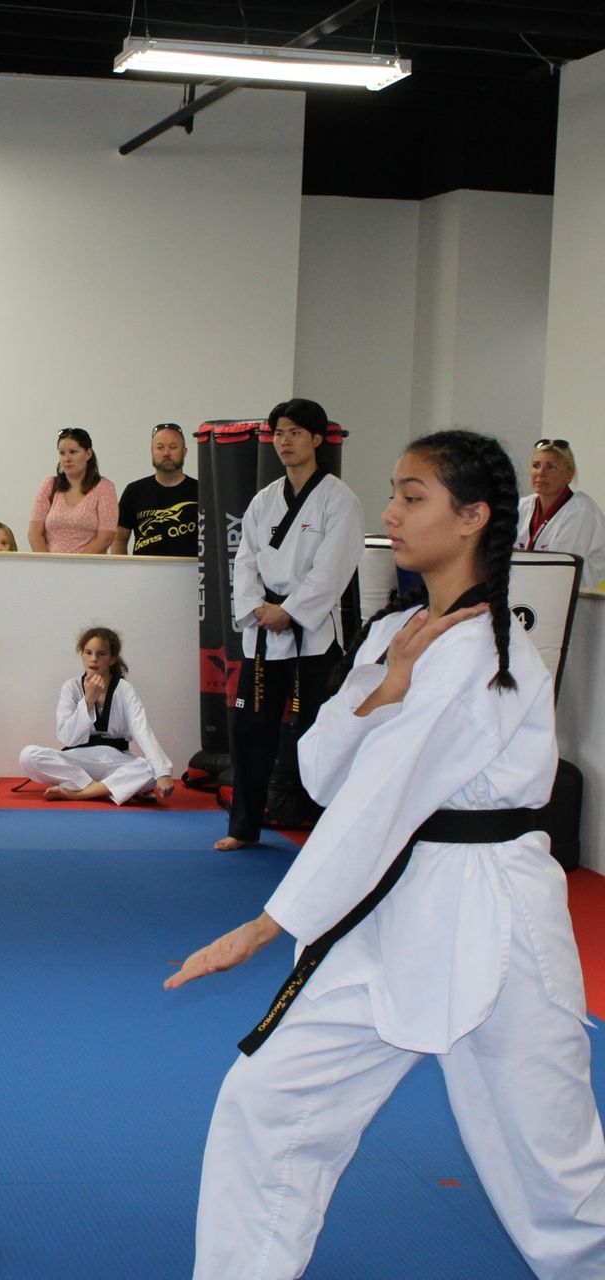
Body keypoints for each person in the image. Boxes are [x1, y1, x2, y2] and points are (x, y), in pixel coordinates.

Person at [166, 429, 605, 1280]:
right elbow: (324, 771)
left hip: (492, 914)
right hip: (388, 907)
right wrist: (384, 688)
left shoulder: (491, 648)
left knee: (554, 1176)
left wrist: (265, 926)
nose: (392, 513)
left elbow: (383, 796)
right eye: (394, 493)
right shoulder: (396, 634)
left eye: (413, 497)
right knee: (269, 1103)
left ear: (474, 518)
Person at [215, 399, 363, 852]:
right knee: (250, 732)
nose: (285, 441)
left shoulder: (339, 500)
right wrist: (257, 608)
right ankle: (243, 828)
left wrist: (291, 611)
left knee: (316, 734)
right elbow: (245, 561)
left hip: (313, 638)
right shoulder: (263, 500)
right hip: (263, 634)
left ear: (318, 438)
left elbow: (332, 570)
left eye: (296, 432)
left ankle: (327, 832)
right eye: (279, 433)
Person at [18, 626, 174, 804]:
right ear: (81, 654)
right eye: (88, 652)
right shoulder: (71, 687)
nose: (94, 659)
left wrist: (162, 772)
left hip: (115, 761)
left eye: (101, 654)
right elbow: (67, 738)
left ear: (112, 659)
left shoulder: (123, 690)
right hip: (78, 760)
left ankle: (79, 793)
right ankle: (105, 789)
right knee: (28, 756)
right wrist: (88, 701)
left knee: (150, 769)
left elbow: (142, 729)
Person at [517, 437, 605, 590]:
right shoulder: (521, 506)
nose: (541, 473)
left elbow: (559, 568)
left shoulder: (581, 510)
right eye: (536, 465)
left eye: (551, 467)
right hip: (530, 592)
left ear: (568, 475)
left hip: (578, 602)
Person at [112, 423, 199, 557]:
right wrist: (122, 573)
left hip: (190, 574)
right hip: (145, 574)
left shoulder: (202, 491)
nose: (166, 453)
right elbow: (119, 539)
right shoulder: (134, 491)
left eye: (173, 447)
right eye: (160, 447)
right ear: (152, 452)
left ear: (185, 451)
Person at [28, 428, 118, 554]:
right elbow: (34, 534)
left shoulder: (104, 488)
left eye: (73, 452)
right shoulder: (49, 485)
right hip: (51, 567)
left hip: (89, 567)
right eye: (62, 453)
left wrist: (76, 565)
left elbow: (106, 538)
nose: (67, 458)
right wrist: (48, 563)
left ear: (88, 454)